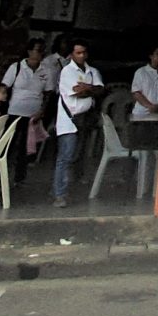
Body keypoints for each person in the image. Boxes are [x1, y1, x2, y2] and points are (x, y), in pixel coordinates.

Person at [51, 40, 106, 207]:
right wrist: (90, 89)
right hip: (69, 119)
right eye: (78, 53)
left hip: (85, 118)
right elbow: (77, 93)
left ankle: (69, 186)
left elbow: (100, 90)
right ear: (71, 54)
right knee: (65, 157)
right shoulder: (67, 72)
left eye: (84, 52)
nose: (82, 56)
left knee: (80, 154)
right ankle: (59, 194)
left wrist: (86, 88)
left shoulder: (92, 71)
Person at [0, 40, 49, 180]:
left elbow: (48, 93)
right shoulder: (16, 67)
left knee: (26, 147)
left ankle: (20, 177)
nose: (40, 54)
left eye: (42, 51)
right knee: (8, 144)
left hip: (33, 114)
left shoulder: (46, 70)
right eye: (38, 50)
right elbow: (4, 87)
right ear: (29, 51)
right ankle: (0, 173)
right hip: (14, 112)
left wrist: (42, 111)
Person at [129, 45, 158, 152]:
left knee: (157, 146)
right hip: (141, 115)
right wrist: (149, 106)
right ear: (151, 56)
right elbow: (136, 92)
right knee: (142, 146)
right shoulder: (141, 72)